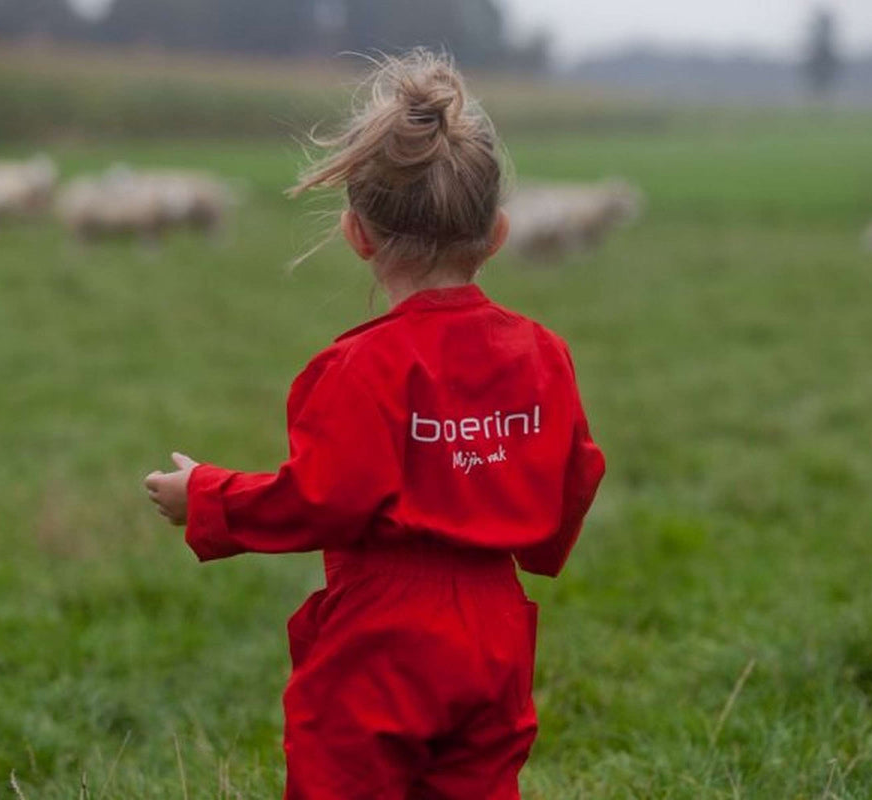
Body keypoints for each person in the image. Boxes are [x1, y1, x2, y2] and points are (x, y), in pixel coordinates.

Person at [144, 49, 605, 800]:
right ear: (497, 233)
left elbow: (326, 498)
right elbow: (578, 471)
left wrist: (206, 496)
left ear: (357, 234)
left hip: (387, 632)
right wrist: (535, 545)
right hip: (496, 627)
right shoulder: (543, 354)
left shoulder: (360, 369)